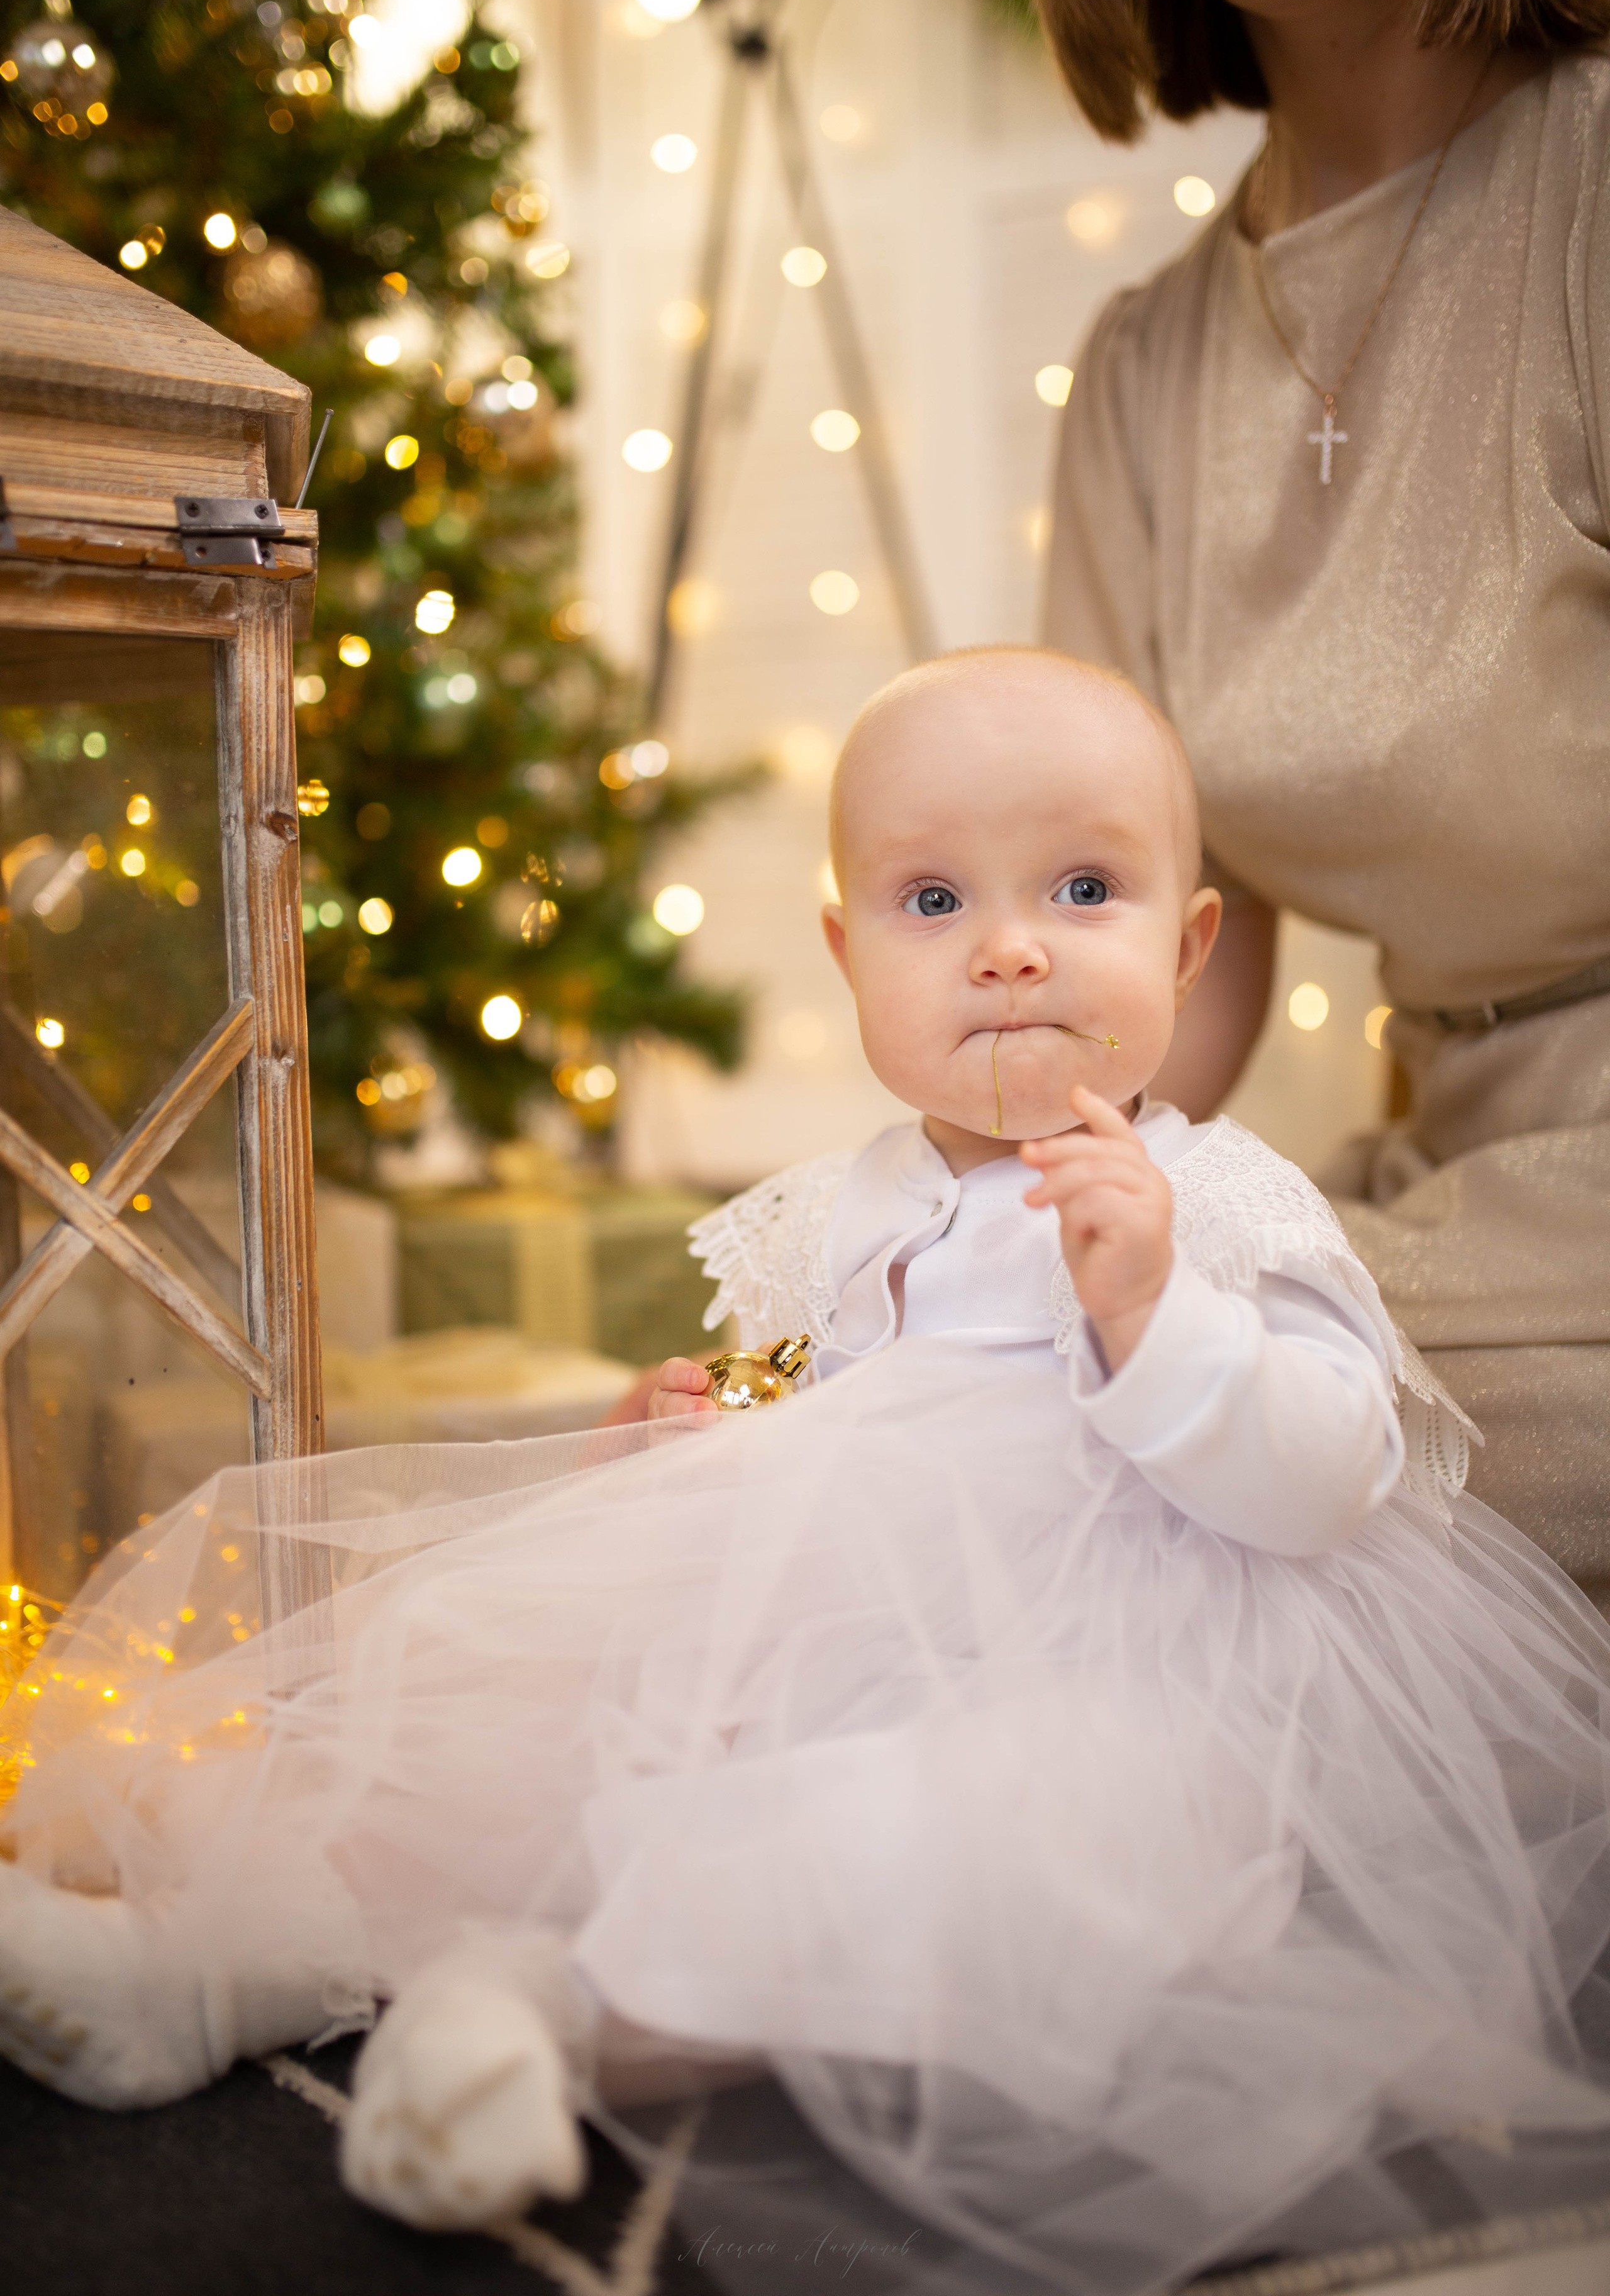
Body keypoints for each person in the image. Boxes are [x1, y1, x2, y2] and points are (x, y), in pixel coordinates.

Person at [3, 652, 1609, 2296]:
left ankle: (540, 2025)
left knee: (917, 1841)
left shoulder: (1221, 1199)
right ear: (848, 956)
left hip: (1128, 1681)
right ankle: (212, 1964)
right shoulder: (844, 1207)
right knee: (528, 1730)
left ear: (1191, 945)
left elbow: (1327, 1477)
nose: (1009, 945)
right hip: (848, 1641)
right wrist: (680, 1451)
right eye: (930, 901)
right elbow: (825, 1431)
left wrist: (1154, 1321)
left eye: (1084, 887)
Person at [1035, 0, 1610, 1585]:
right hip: (1448, 1180)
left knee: (1159, 1476)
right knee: (1022, 1381)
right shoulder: (1145, 373)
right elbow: (1155, 947)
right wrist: (993, 1217)